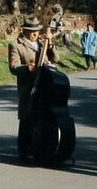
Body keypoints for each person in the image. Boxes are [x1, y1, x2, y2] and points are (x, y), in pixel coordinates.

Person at [8, 16, 60, 161]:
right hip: (29, 88)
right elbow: (13, 67)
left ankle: (42, 148)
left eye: (37, 30)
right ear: (24, 30)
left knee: (43, 118)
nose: (35, 33)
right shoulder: (16, 45)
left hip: (45, 86)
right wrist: (27, 68)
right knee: (27, 119)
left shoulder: (42, 42)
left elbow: (56, 59)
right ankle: (23, 152)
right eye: (32, 31)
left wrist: (50, 44)